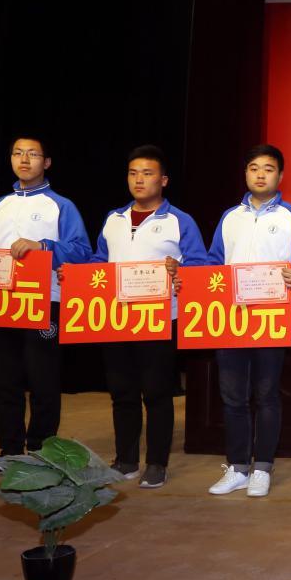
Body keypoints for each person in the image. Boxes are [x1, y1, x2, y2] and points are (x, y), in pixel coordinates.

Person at [0, 136, 91, 478]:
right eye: (18, 153)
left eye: (33, 154)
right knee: (2, 383)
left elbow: (82, 251)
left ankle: (43, 453)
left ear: (46, 163)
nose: (24, 159)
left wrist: (43, 246)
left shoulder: (60, 206)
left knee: (43, 381)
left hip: (44, 303)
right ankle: (9, 452)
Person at [86, 145, 207, 489]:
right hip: (116, 318)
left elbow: (201, 265)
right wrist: (78, 276)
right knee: (121, 392)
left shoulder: (179, 221)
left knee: (157, 393)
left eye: (147, 173)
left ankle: (157, 462)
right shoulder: (113, 219)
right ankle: (125, 460)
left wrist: (179, 268)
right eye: (133, 173)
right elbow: (98, 262)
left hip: (159, 319)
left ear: (163, 180)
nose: (139, 180)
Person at [205, 144, 291, 498]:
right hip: (230, 319)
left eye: (268, 169)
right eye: (254, 168)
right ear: (245, 173)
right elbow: (212, 266)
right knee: (232, 397)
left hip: (272, 319)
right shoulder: (230, 217)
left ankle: (263, 468)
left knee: (267, 395)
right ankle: (238, 467)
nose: (260, 174)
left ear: (280, 176)